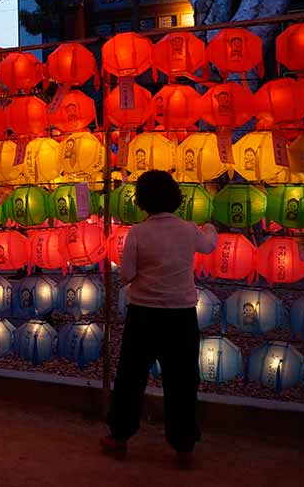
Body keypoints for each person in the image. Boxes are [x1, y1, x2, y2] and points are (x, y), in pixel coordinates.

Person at [102, 170, 217, 469]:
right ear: (175, 197)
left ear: (141, 201)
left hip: (143, 314)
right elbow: (208, 245)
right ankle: (184, 447)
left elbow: (126, 275)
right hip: (181, 315)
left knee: (130, 378)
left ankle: (119, 438)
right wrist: (211, 228)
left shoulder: (138, 233)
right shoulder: (189, 229)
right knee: (182, 381)